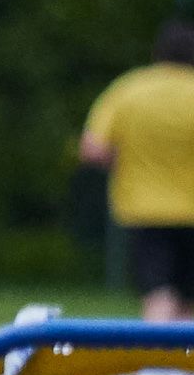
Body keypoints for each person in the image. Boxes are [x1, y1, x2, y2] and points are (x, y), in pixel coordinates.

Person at [80, 19, 194, 320]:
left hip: (146, 211)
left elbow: (93, 149)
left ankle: (159, 363)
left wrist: (128, 160)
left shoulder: (129, 90)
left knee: (159, 295)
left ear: (158, 53)